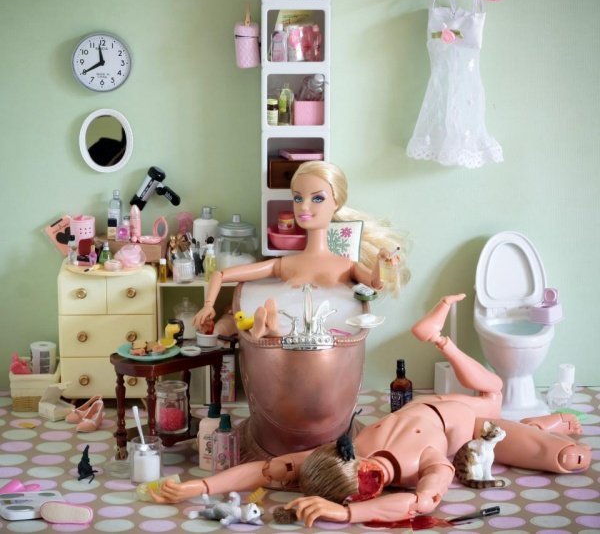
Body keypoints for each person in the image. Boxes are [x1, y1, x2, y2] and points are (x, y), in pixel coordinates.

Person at [152, 294, 591, 526]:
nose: (370, 477)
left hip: (443, 402)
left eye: (360, 475)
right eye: (367, 487)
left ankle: (440, 339)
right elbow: (421, 503)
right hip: (476, 427)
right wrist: (347, 514)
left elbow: (266, 471)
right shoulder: (424, 466)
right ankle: (545, 424)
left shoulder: (344, 451)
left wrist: (197, 486)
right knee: (565, 455)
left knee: (494, 389)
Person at [193, 161, 410, 335]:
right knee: (266, 323)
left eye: (317, 198)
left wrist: (382, 263)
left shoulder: (346, 266)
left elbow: (375, 284)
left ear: (336, 203)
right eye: (298, 198)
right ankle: (268, 328)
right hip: (286, 337)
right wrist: (208, 305)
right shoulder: (285, 264)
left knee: (275, 323)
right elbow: (221, 274)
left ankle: (270, 327)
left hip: (325, 334)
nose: (304, 206)